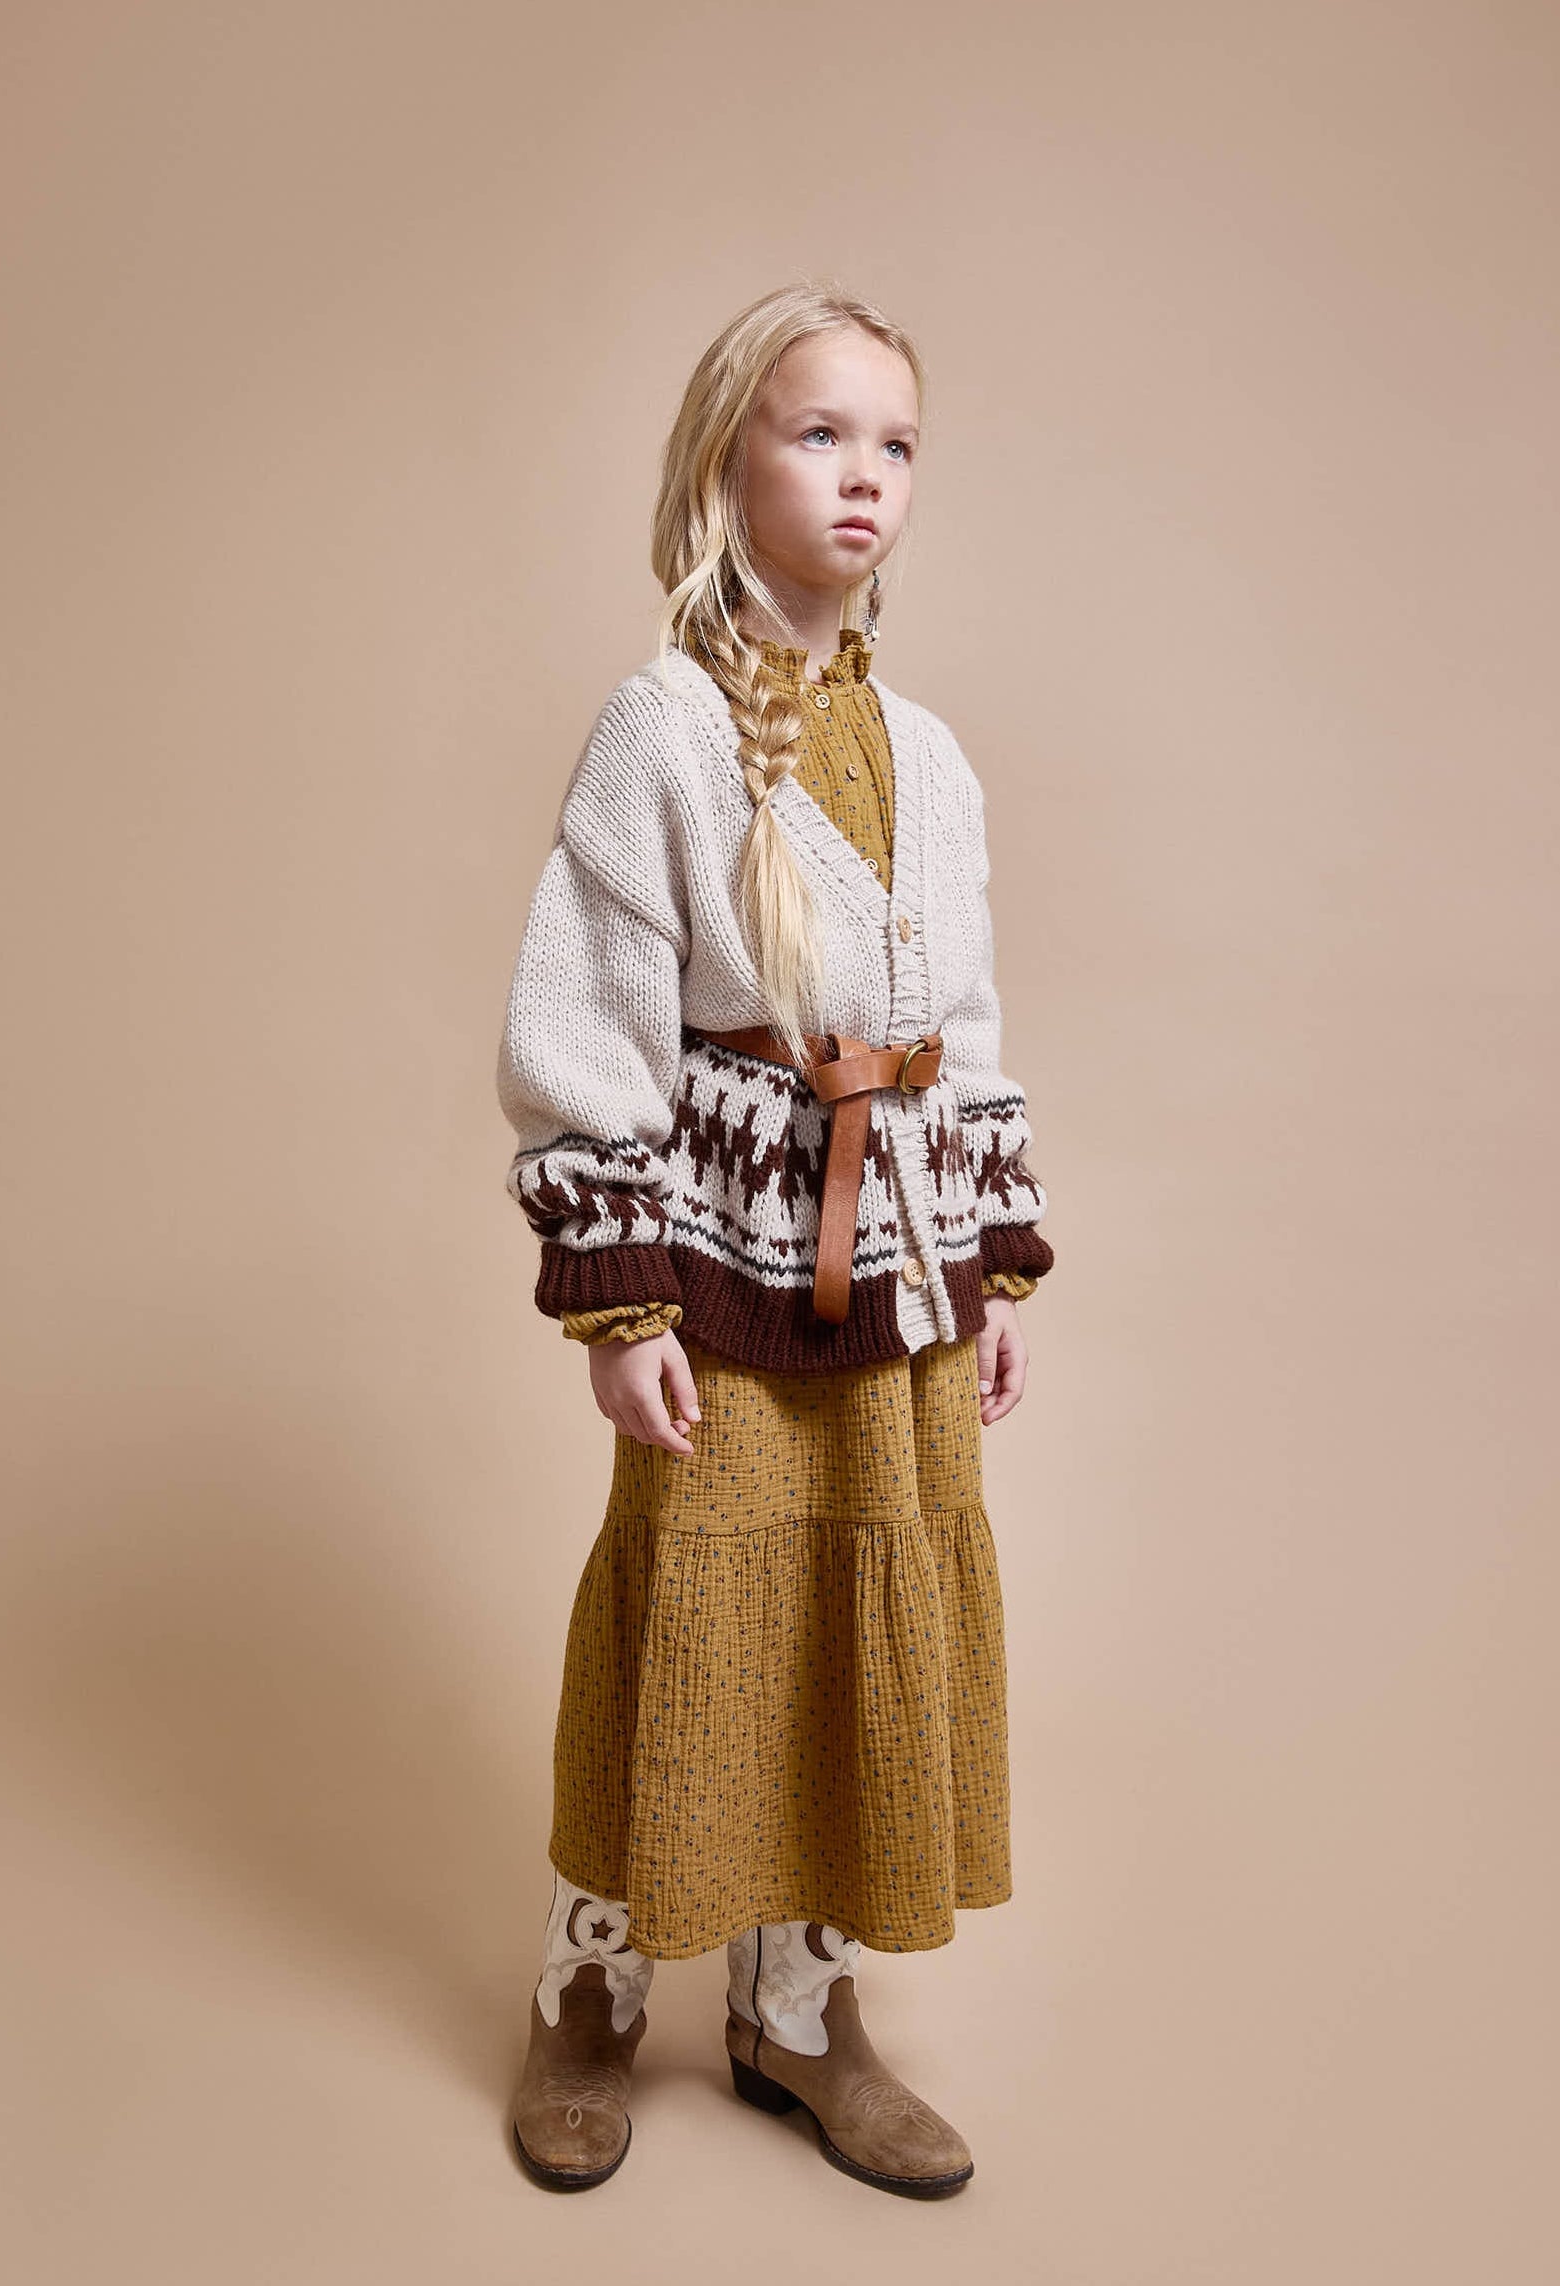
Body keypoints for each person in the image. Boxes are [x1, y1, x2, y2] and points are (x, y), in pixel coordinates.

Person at [495, 282, 1055, 2199]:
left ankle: (793, 2008)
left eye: (894, 443)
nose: (864, 476)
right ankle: (594, 1975)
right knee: (689, 1600)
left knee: (857, 1604)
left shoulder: (938, 756)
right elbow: (589, 1028)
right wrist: (616, 1296)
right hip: (725, 1259)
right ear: (724, 462)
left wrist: (985, 1266)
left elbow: (962, 1032)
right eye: (820, 433)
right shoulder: (657, 730)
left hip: (891, 1257)